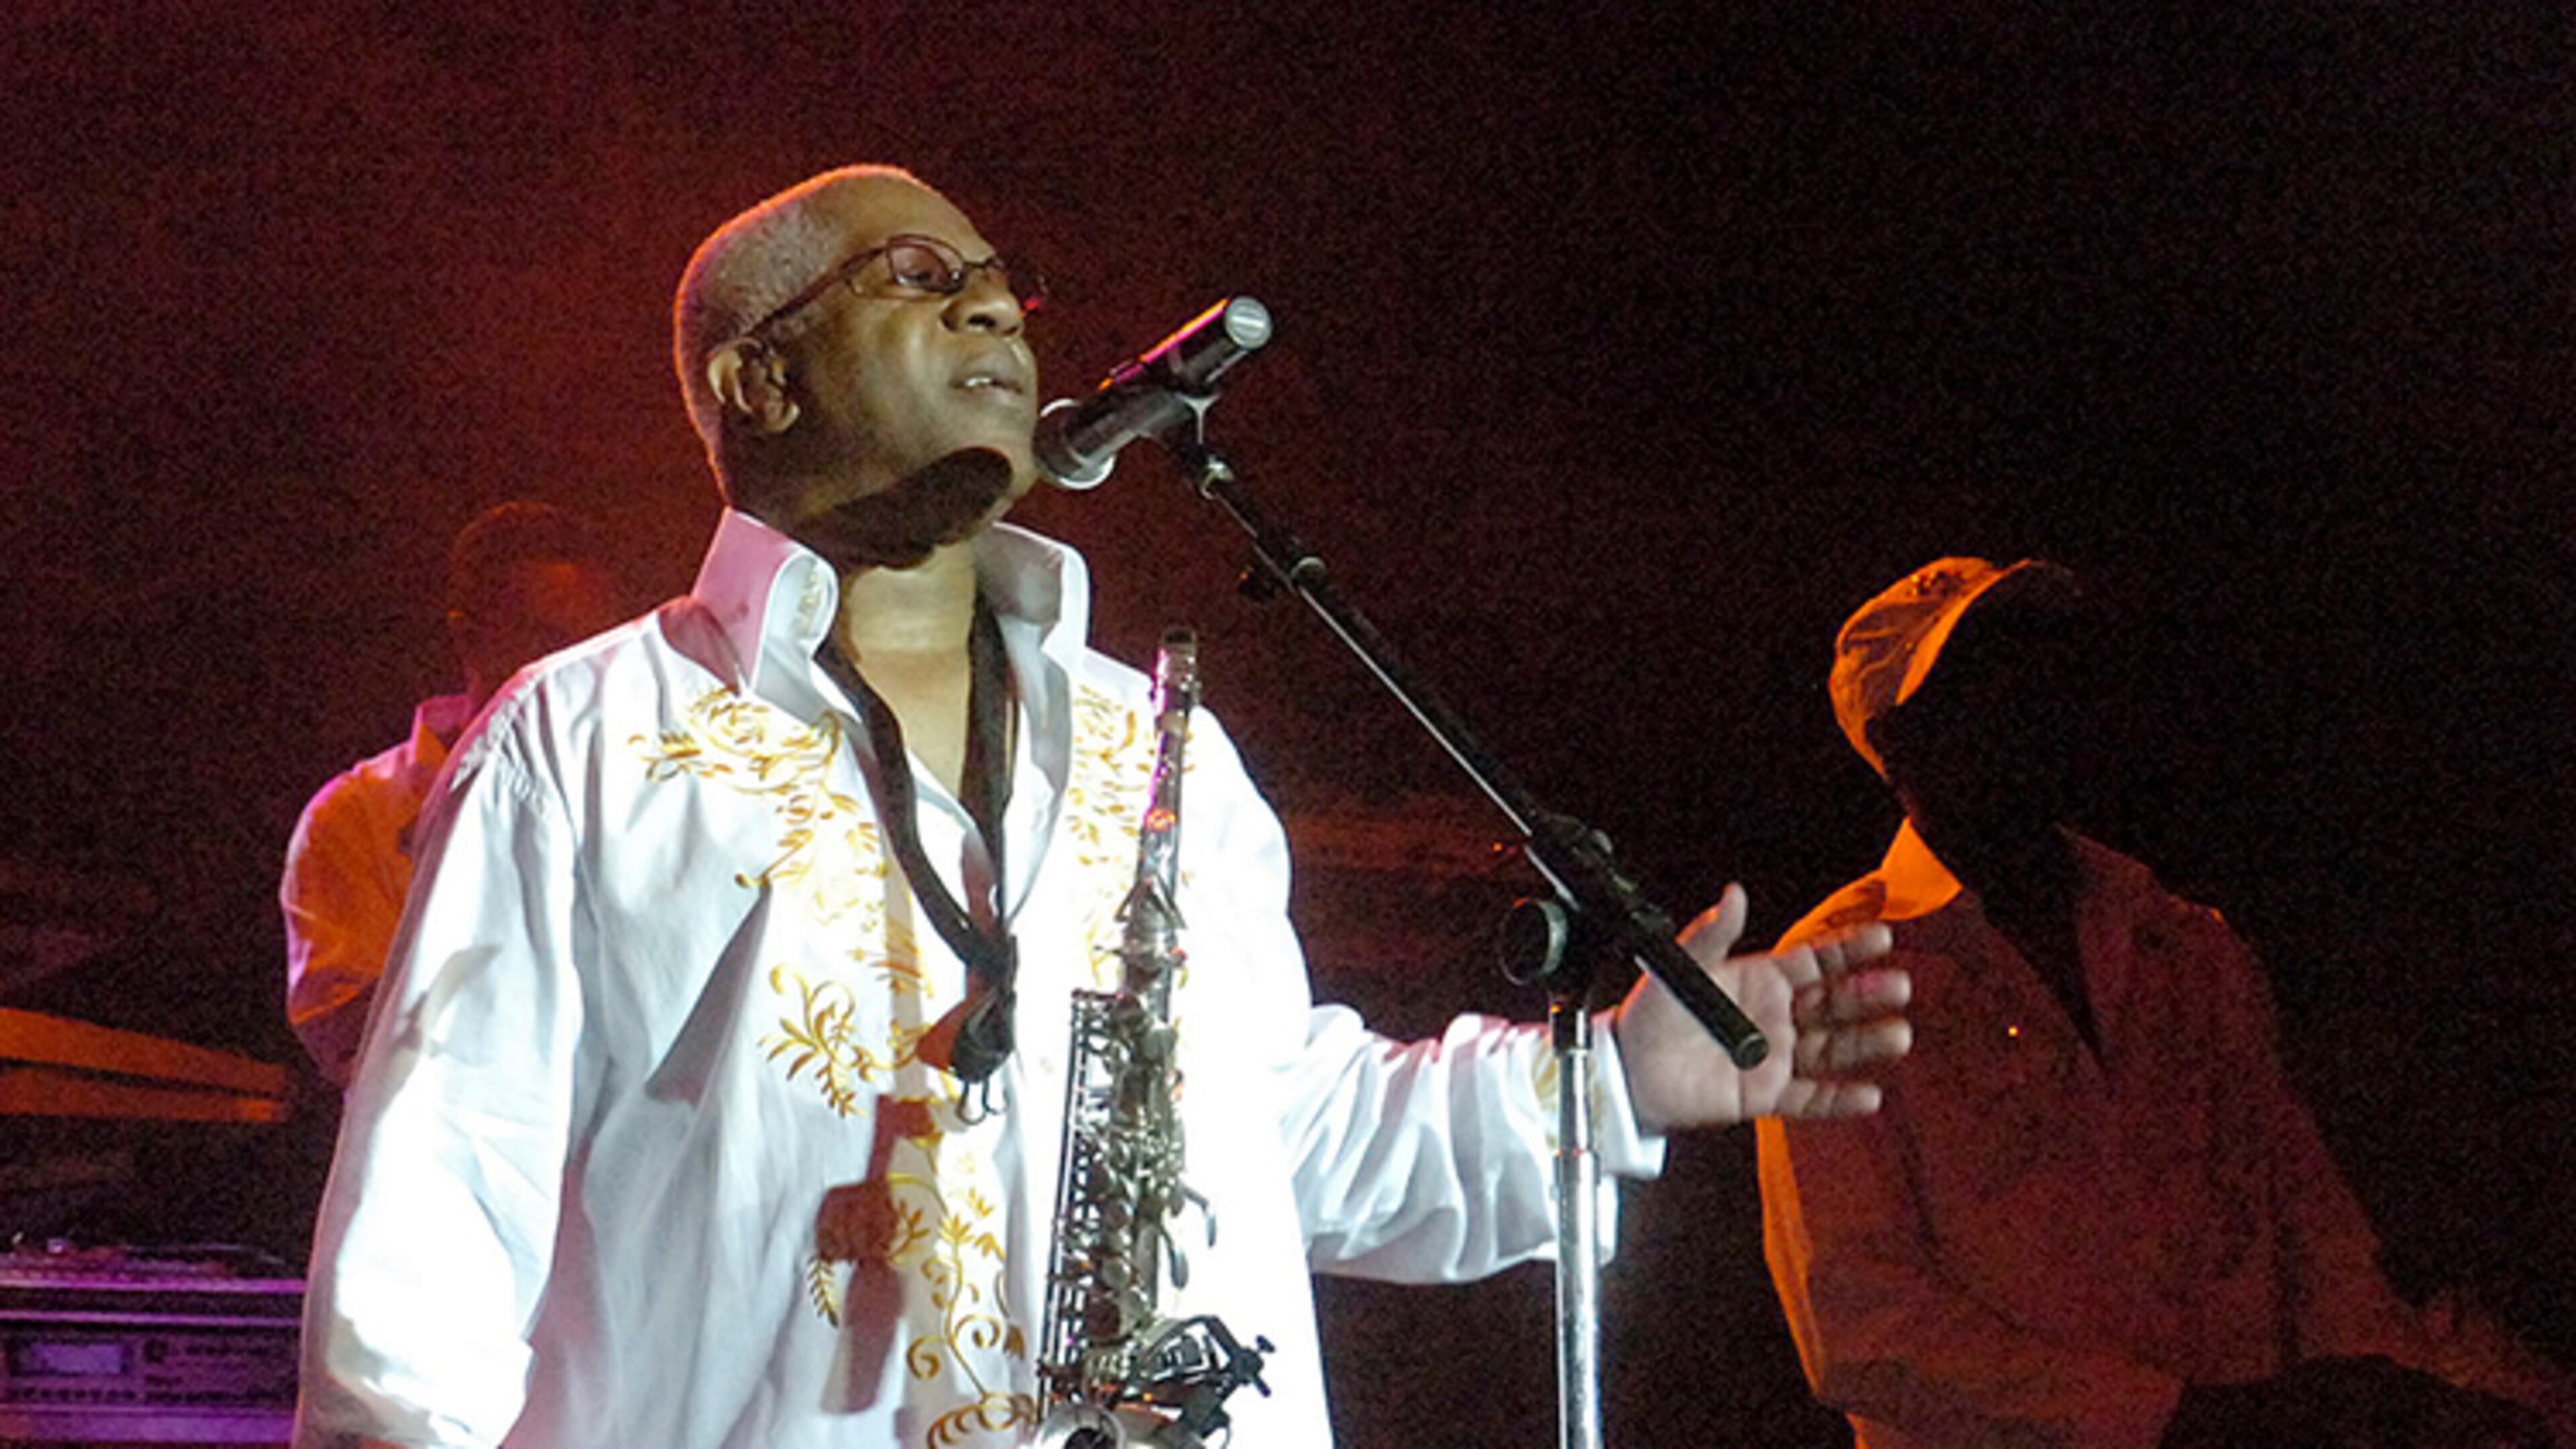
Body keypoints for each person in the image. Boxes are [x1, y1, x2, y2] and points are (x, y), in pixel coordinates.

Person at [291, 165, 1913, 1449]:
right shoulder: (584, 743)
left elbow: (1286, 1135)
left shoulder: (1153, 743)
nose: (996, 305)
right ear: (760, 376)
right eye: (917, 276)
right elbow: (435, 1223)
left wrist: (1614, 1080)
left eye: (1004, 281)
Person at [1754, 557, 2551, 1449]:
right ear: (1899, 742)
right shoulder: (1826, 983)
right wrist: (2178, 1420)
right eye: (1979, 682)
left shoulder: (2188, 946)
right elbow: (1862, 1327)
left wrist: (2381, 1395)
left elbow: (2310, 1225)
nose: (2032, 704)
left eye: (2040, 667)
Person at [279, 501, 625, 1086]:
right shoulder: (355, 816)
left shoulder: (640, 794)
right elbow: (349, 1039)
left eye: (599, 647)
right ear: (469, 640)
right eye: (549, 642)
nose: (580, 670)